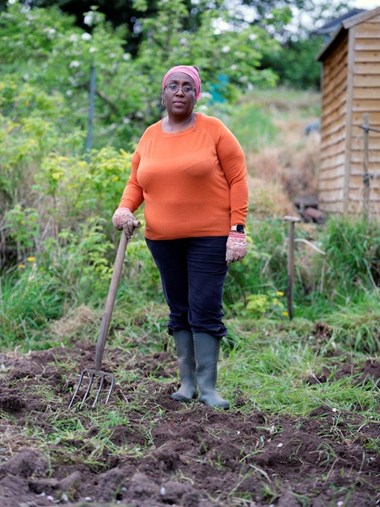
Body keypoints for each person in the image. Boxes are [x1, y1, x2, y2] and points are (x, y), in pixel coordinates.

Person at [112, 65, 248, 409]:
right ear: (163, 92)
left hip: (210, 237)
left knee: (205, 308)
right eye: (173, 85)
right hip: (162, 238)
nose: (179, 92)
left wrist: (237, 230)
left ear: (196, 95)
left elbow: (238, 179)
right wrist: (124, 208)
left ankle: (209, 388)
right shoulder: (150, 136)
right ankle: (186, 383)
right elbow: (136, 183)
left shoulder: (214, 131)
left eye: (187, 87)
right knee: (179, 309)